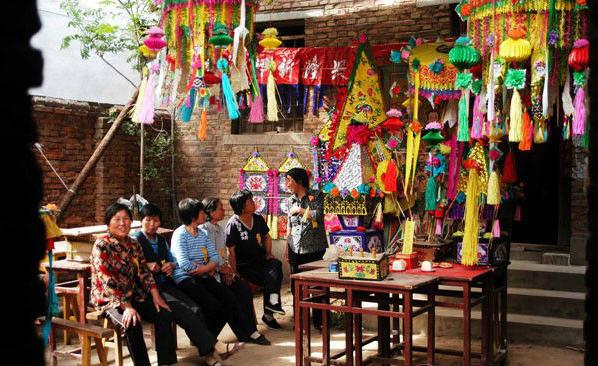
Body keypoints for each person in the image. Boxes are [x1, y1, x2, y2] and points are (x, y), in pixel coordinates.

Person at [132, 203, 241, 366]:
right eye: (148, 220)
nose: (152, 224)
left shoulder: (160, 240)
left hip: (166, 284)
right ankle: (212, 349)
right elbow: (133, 267)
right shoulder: (136, 240)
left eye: (156, 221)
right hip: (148, 289)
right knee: (178, 312)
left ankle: (207, 351)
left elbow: (174, 260)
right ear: (141, 221)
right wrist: (147, 265)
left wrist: (171, 265)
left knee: (196, 309)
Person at [170, 198, 270, 346]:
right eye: (201, 211)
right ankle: (207, 338)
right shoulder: (182, 234)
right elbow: (184, 263)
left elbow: (216, 257)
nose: (204, 214)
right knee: (221, 301)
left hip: (208, 273)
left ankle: (248, 332)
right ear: (193, 216)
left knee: (241, 291)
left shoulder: (204, 233)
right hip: (194, 277)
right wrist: (212, 268)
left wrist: (211, 268)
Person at [90, 203, 176, 366]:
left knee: (163, 313)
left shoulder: (133, 243)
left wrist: (156, 296)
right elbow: (109, 282)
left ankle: (166, 362)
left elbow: (144, 271)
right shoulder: (102, 245)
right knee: (132, 323)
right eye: (117, 219)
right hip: (110, 300)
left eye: (126, 219)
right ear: (109, 223)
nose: (122, 223)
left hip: (134, 294)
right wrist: (127, 307)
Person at [201, 198, 279, 329]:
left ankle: (253, 327)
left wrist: (227, 270)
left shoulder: (219, 229)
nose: (223, 210)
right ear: (211, 212)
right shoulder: (205, 230)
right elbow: (212, 256)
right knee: (234, 295)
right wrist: (227, 270)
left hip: (225, 271)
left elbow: (222, 254)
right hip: (213, 273)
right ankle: (214, 336)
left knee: (269, 275)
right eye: (220, 208)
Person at [225, 190, 285, 328]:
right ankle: (270, 312)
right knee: (271, 278)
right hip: (245, 266)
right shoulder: (233, 224)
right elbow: (231, 252)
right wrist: (235, 273)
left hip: (261, 262)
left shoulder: (257, 218)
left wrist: (269, 252)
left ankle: (272, 306)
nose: (254, 203)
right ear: (241, 206)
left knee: (275, 264)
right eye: (250, 201)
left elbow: (266, 237)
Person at [285, 167, 328, 330]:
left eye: (289, 180)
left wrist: (301, 210)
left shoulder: (316, 195)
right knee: (296, 286)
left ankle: (320, 321)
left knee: (317, 286)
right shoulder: (290, 200)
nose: (287, 184)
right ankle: (300, 320)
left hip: (315, 247)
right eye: (286, 181)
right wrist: (286, 246)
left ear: (299, 181)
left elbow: (319, 215)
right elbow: (289, 224)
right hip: (295, 248)